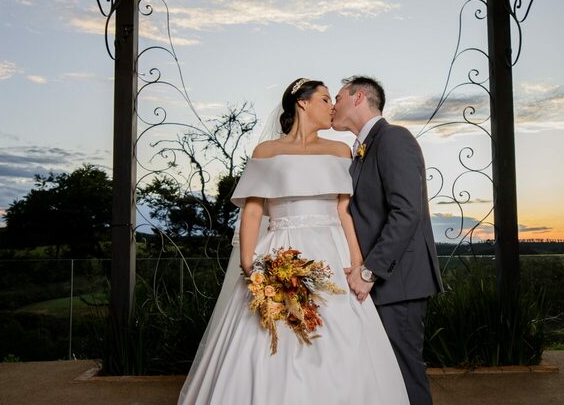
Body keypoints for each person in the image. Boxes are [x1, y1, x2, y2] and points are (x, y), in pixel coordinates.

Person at [177, 78, 410, 405]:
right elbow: (254, 212)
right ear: (302, 102)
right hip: (278, 250)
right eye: (326, 99)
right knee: (266, 337)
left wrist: (357, 264)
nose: (332, 107)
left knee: (340, 340)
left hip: (331, 253)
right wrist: (249, 266)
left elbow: (345, 212)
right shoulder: (266, 152)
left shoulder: (340, 151)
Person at [331, 75, 444, 405]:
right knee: (383, 379)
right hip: (378, 283)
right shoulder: (361, 150)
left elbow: (406, 212)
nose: (333, 106)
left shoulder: (393, 137)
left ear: (358, 97)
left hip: (398, 284)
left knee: (404, 376)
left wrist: (369, 272)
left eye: (337, 97)